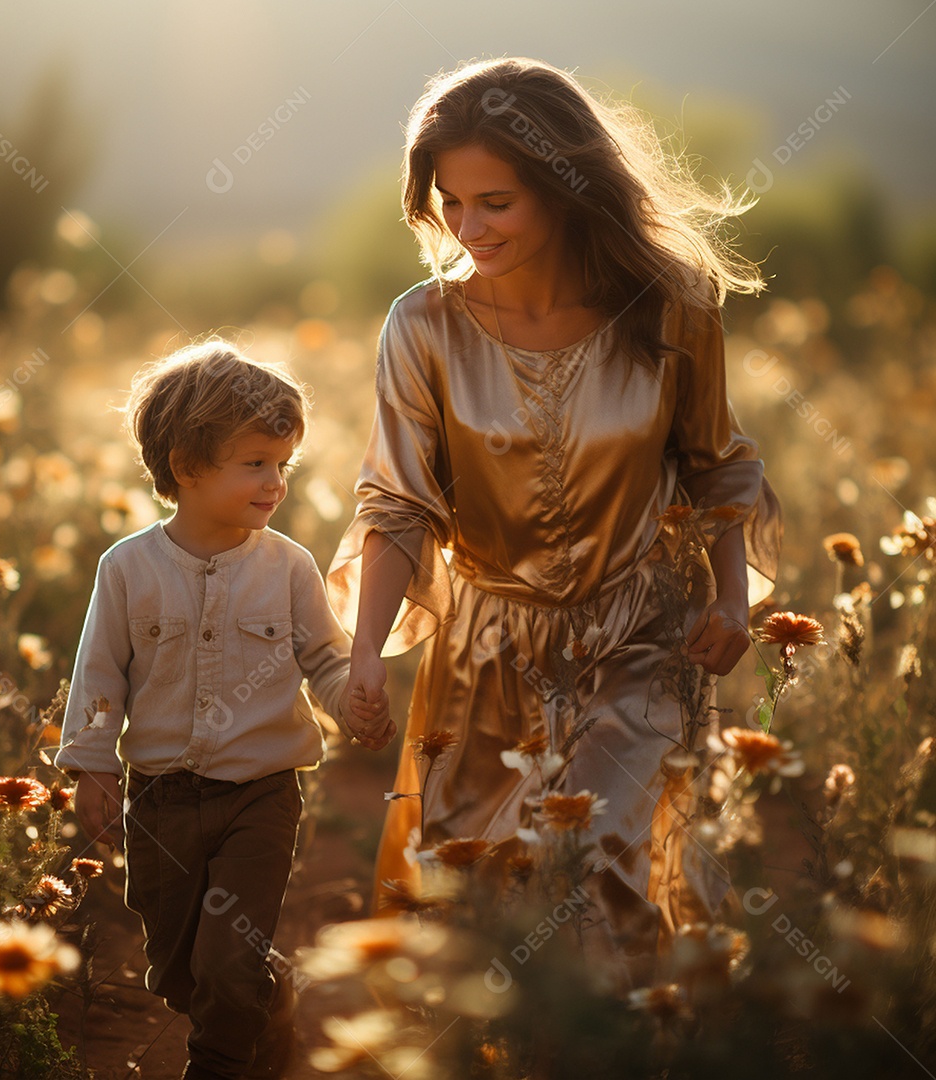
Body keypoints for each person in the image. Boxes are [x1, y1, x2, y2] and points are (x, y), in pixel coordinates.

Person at [330, 57, 781, 984]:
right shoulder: (422, 327)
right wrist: (368, 651)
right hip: (482, 657)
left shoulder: (671, 305)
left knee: (611, 866)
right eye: (450, 203)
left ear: (568, 188)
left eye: (495, 201)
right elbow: (398, 500)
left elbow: (714, 465)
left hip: (639, 636)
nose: (468, 227)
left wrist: (733, 599)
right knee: (474, 903)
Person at [54, 341, 393, 1080]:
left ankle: (223, 1059)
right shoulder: (128, 569)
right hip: (160, 802)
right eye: (256, 463)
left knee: (229, 963)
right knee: (181, 977)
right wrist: (91, 770)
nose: (275, 482)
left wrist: (353, 701)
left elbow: (327, 660)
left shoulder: (290, 567)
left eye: (283, 464)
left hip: (261, 796)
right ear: (186, 467)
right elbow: (99, 676)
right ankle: (271, 1004)